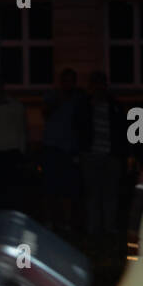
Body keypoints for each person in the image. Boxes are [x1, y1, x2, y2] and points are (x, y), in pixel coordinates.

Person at [82, 71, 129, 238]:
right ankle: (93, 228)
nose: (98, 88)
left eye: (101, 84)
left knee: (110, 193)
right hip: (92, 155)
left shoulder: (114, 106)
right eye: (95, 84)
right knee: (93, 194)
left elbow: (122, 129)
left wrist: (121, 153)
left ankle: (109, 227)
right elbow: (79, 129)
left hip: (111, 155)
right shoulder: (85, 106)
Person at [40, 68, 87, 233]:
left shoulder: (79, 98)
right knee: (50, 187)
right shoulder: (52, 96)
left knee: (69, 188)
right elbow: (45, 113)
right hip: (52, 148)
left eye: (71, 81)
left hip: (70, 149)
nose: (68, 84)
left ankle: (67, 222)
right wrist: (58, 100)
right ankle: (50, 221)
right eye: (65, 80)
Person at [0, 73, 27, 208]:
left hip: (11, 153)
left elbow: (22, 130)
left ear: (2, 86)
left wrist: (21, 153)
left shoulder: (16, 106)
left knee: (12, 192)